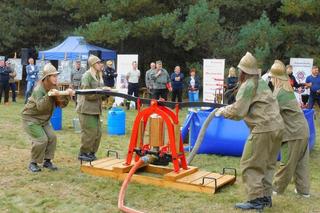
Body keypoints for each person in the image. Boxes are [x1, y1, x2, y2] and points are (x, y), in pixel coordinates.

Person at [216, 52, 284, 210]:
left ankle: (255, 200)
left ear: (242, 71)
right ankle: (266, 197)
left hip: (263, 128)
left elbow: (239, 111)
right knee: (267, 164)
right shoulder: (260, 82)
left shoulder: (248, 85)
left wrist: (223, 111)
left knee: (250, 164)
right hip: (277, 128)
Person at [269, 60, 310, 198]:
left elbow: (270, 114)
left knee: (287, 162)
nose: (270, 80)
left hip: (293, 133)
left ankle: (276, 189)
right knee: (301, 164)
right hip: (303, 130)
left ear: (276, 78)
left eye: (271, 77)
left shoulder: (279, 93)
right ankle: (303, 191)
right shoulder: (288, 89)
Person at [22, 63, 73, 172]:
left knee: (52, 137)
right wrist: (49, 95)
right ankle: (33, 163)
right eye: (53, 76)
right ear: (47, 77)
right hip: (31, 118)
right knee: (41, 140)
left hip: (44, 119)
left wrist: (67, 95)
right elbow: (41, 107)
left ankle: (47, 161)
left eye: (56, 76)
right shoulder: (38, 89)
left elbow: (62, 104)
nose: (56, 78)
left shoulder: (54, 87)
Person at [76, 55, 104, 161]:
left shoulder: (98, 75)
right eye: (98, 63)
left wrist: (106, 93)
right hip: (86, 109)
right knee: (89, 132)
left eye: (100, 62)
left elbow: (99, 92)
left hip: (95, 109)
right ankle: (83, 153)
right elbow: (86, 94)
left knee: (98, 132)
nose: (100, 64)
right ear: (92, 64)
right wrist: (101, 93)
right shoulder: (86, 76)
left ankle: (91, 152)